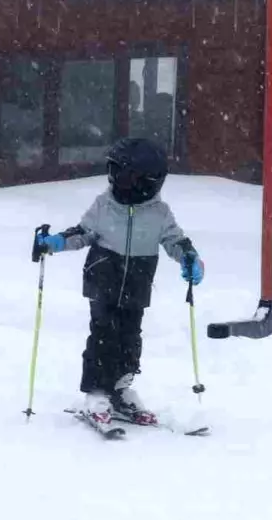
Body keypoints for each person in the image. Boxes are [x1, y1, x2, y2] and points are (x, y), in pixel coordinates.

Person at [36, 137, 204, 426]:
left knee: (130, 337)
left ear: (144, 180)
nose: (114, 180)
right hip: (104, 279)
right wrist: (55, 243)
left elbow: (175, 240)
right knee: (103, 335)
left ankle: (120, 389)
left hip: (137, 284)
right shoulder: (104, 205)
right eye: (113, 172)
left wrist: (190, 258)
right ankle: (97, 391)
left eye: (121, 174)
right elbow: (83, 232)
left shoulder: (159, 213)